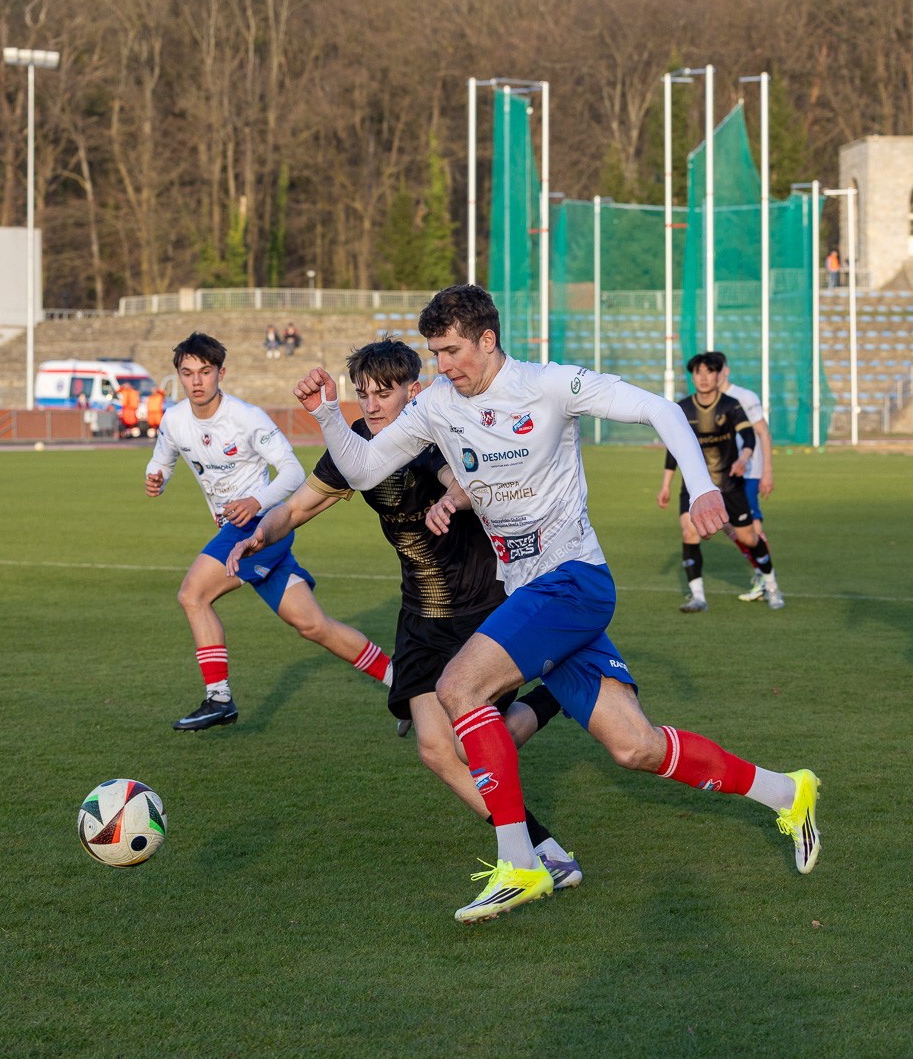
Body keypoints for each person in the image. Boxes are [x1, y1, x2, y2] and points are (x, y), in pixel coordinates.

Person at [295, 284, 820, 924]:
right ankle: (788, 792)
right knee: (635, 747)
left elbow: (660, 409)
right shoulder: (436, 404)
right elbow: (365, 469)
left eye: (453, 351)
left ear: (488, 340)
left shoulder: (550, 385)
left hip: (573, 578)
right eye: (435, 354)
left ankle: (520, 863)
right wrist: (327, 415)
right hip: (530, 593)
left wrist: (703, 486)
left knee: (459, 686)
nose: (444, 366)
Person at [227, 338, 582, 889]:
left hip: (481, 607)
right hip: (419, 615)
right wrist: (259, 534)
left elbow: (461, 480)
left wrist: (452, 497)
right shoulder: (357, 447)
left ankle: (553, 698)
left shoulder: (432, 434)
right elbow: (298, 506)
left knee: (474, 747)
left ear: (412, 392)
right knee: (438, 751)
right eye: (363, 393)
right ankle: (542, 851)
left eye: (383, 393)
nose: (371, 405)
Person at [145, 332, 394, 731]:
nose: (196, 381)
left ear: (220, 373)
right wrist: (155, 476)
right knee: (314, 626)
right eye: (187, 373)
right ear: (177, 375)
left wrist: (256, 502)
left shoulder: (247, 418)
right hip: (241, 531)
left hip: (260, 525)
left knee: (193, 595)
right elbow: (163, 459)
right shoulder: (174, 419)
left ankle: (219, 698)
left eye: (205, 372)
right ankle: (404, 682)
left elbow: (294, 471)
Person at [656, 352, 783, 613]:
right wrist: (666, 484)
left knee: (748, 538)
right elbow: (674, 448)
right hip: (695, 486)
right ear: (692, 376)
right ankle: (698, 597)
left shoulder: (731, 405)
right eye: (698, 372)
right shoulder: (683, 409)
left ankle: (771, 585)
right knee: (689, 531)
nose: (703, 378)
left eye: (709, 372)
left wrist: (744, 458)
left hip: (729, 484)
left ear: (719, 375)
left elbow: (749, 436)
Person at [719, 358, 783, 608]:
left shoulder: (744, 396)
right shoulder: (708, 402)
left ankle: (769, 583)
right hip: (723, 474)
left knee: (753, 527)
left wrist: (767, 470)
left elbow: (763, 432)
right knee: (725, 523)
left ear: (726, 371)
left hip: (748, 472)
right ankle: (760, 574)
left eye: (717, 370)